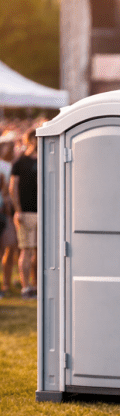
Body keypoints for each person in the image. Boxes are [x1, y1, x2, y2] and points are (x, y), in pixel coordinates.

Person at [9, 128, 38, 299]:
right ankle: (26, 287)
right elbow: (13, 187)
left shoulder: (47, 161)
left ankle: (37, 285)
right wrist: (18, 211)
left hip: (44, 213)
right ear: (30, 140)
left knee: (41, 252)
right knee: (26, 251)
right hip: (26, 213)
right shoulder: (20, 162)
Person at [0, 136, 19, 296]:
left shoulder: (11, 165)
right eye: (8, 146)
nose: (11, 149)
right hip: (4, 211)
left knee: (10, 246)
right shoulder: (3, 166)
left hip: (7, 212)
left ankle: (6, 284)